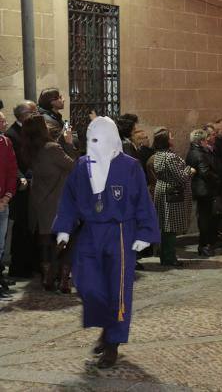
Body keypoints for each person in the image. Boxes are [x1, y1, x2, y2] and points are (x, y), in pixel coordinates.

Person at [52, 116, 159, 368]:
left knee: (117, 289)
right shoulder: (81, 166)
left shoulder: (130, 166)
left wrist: (145, 233)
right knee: (87, 284)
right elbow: (69, 199)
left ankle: (113, 342)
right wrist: (64, 229)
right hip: (90, 232)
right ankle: (106, 324)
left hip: (120, 232)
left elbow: (142, 201)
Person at [23, 115, 76, 292]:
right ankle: (63, 280)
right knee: (65, 241)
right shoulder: (52, 148)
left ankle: (47, 277)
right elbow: (73, 166)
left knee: (45, 241)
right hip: (58, 201)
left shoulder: (31, 149)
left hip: (40, 202)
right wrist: (68, 143)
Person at [151, 127, 194, 267]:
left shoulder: (159, 155)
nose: (173, 138)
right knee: (170, 226)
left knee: (166, 226)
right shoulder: (169, 157)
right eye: (170, 136)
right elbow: (181, 177)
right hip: (172, 194)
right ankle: (169, 257)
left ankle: (166, 256)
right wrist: (190, 170)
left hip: (163, 190)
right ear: (165, 140)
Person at [6, 101, 37, 279]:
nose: (36, 115)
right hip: (21, 187)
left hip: (32, 184)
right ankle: (19, 267)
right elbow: (12, 162)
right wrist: (22, 176)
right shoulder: (11, 134)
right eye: (33, 112)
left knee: (31, 225)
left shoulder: (29, 130)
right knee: (21, 226)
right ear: (24, 115)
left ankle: (31, 264)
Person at [185, 128, 220, 257]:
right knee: (205, 218)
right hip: (204, 189)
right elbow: (205, 172)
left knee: (204, 217)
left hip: (200, 189)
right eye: (205, 140)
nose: (207, 142)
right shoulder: (199, 154)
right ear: (201, 141)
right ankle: (204, 245)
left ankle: (204, 244)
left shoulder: (192, 152)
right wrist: (217, 178)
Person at [0, 111, 19, 293]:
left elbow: (12, 171)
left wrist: (7, 196)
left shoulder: (6, 143)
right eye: (1, 121)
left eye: (5, 121)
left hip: (3, 203)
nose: (4, 124)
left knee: (0, 245)